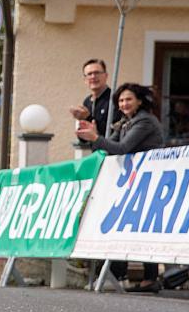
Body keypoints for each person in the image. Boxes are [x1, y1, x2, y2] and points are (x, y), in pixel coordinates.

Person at [76, 83, 164, 292]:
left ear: (140, 101)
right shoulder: (126, 122)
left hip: (148, 182)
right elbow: (109, 148)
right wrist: (95, 137)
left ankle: (149, 279)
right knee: (135, 227)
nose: (124, 104)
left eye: (128, 99)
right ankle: (125, 275)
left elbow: (122, 148)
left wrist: (96, 138)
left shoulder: (145, 122)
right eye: (121, 101)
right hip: (131, 183)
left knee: (144, 227)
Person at [70, 59, 121, 140]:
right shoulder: (87, 101)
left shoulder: (115, 98)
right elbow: (84, 139)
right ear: (85, 80)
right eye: (89, 74)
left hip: (113, 150)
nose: (93, 77)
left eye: (97, 73)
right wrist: (80, 124)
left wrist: (88, 117)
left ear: (106, 76)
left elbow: (114, 132)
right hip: (97, 150)